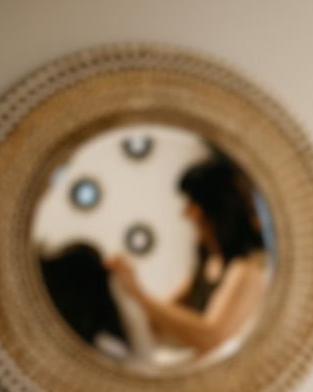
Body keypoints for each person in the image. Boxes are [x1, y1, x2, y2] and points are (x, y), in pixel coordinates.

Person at [105, 152, 268, 357]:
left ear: (214, 208)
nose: (185, 214)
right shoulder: (205, 265)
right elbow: (157, 323)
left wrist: (137, 292)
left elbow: (213, 336)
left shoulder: (247, 269)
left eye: (192, 204)